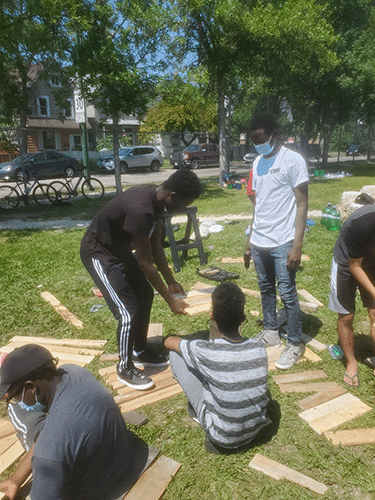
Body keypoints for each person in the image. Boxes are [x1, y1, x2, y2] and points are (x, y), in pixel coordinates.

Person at [81, 169, 202, 390]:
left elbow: (155, 246)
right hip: (99, 253)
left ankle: (141, 349)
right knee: (128, 312)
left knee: (145, 294)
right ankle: (124, 368)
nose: (185, 208)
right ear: (172, 196)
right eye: (185, 203)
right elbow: (145, 263)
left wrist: (171, 281)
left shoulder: (157, 204)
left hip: (120, 251)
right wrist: (170, 300)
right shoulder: (141, 209)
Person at [0, 344, 149, 500]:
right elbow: (55, 435)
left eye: (14, 398)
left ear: (31, 387)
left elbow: (44, 493)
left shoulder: (49, 449)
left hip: (97, 491)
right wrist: (15, 480)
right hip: (125, 460)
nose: (16, 402)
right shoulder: (74, 371)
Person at [164, 282, 271, 454]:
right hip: (256, 431)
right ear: (243, 319)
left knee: (176, 355)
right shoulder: (258, 348)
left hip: (222, 439)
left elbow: (169, 342)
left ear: (212, 315)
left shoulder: (205, 350)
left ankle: (199, 413)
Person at [244, 112, 309, 369]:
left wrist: (297, 244)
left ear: (275, 134)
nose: (258, 144)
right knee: (266, 289)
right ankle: (271, 332)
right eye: (254, 140)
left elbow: (302, 203)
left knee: (288, 294)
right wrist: (250, 238)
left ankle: (294, 343)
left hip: (283, 240)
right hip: (260, 240)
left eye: (261, 138)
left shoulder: (293, 160)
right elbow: (258, 204)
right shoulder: (258, 162)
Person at [328, 205, 375, 387]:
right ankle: (351, 363)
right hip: (347, 261)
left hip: (371, 261)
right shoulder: (362, 224)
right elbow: (355, 266)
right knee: (347, 315)